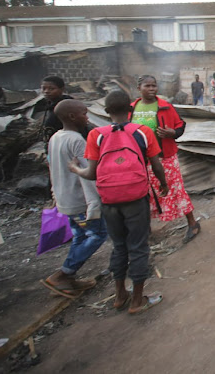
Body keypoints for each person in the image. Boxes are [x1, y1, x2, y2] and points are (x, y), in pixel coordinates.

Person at [70, 90, 168, 315]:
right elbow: (156, 163)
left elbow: (92, 173)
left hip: (109, 199)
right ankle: (137, 300)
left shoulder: (96, 134)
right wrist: (163, 184)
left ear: (106, 112)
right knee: (139, 246)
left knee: (119, 246)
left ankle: (119, 295)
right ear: (131, 109)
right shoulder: (142, 132)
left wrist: (75, 168)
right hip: (135, 196)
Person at [40, 100, 107, 298]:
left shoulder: (55, 138)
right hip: (80, 201)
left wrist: (55, 194)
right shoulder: (77, 141)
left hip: (65, 199)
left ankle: (69, 278)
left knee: (79, 236)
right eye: (84, 113)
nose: (87, 117)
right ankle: (63, 274)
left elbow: (52, 168)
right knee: (98, 234)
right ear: (72, 116)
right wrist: (95, 205)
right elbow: (89, 175)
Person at [131, 75, 200, 243]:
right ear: (139, 87)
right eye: (147, 86)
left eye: (154, 86)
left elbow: (180, 125)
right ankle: (146, 230)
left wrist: (172, 133)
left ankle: (192, 223)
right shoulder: (132, 108)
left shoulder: (165, 107)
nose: (152, 89)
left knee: (175, 188)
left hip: (164, 157)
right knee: (144, 193)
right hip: (141, 159)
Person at [41, 75, 75, 146]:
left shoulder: (67, 106)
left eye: (51, 89)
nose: (46, 91)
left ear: (62, 89)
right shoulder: (49, 105)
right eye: (44, 88)